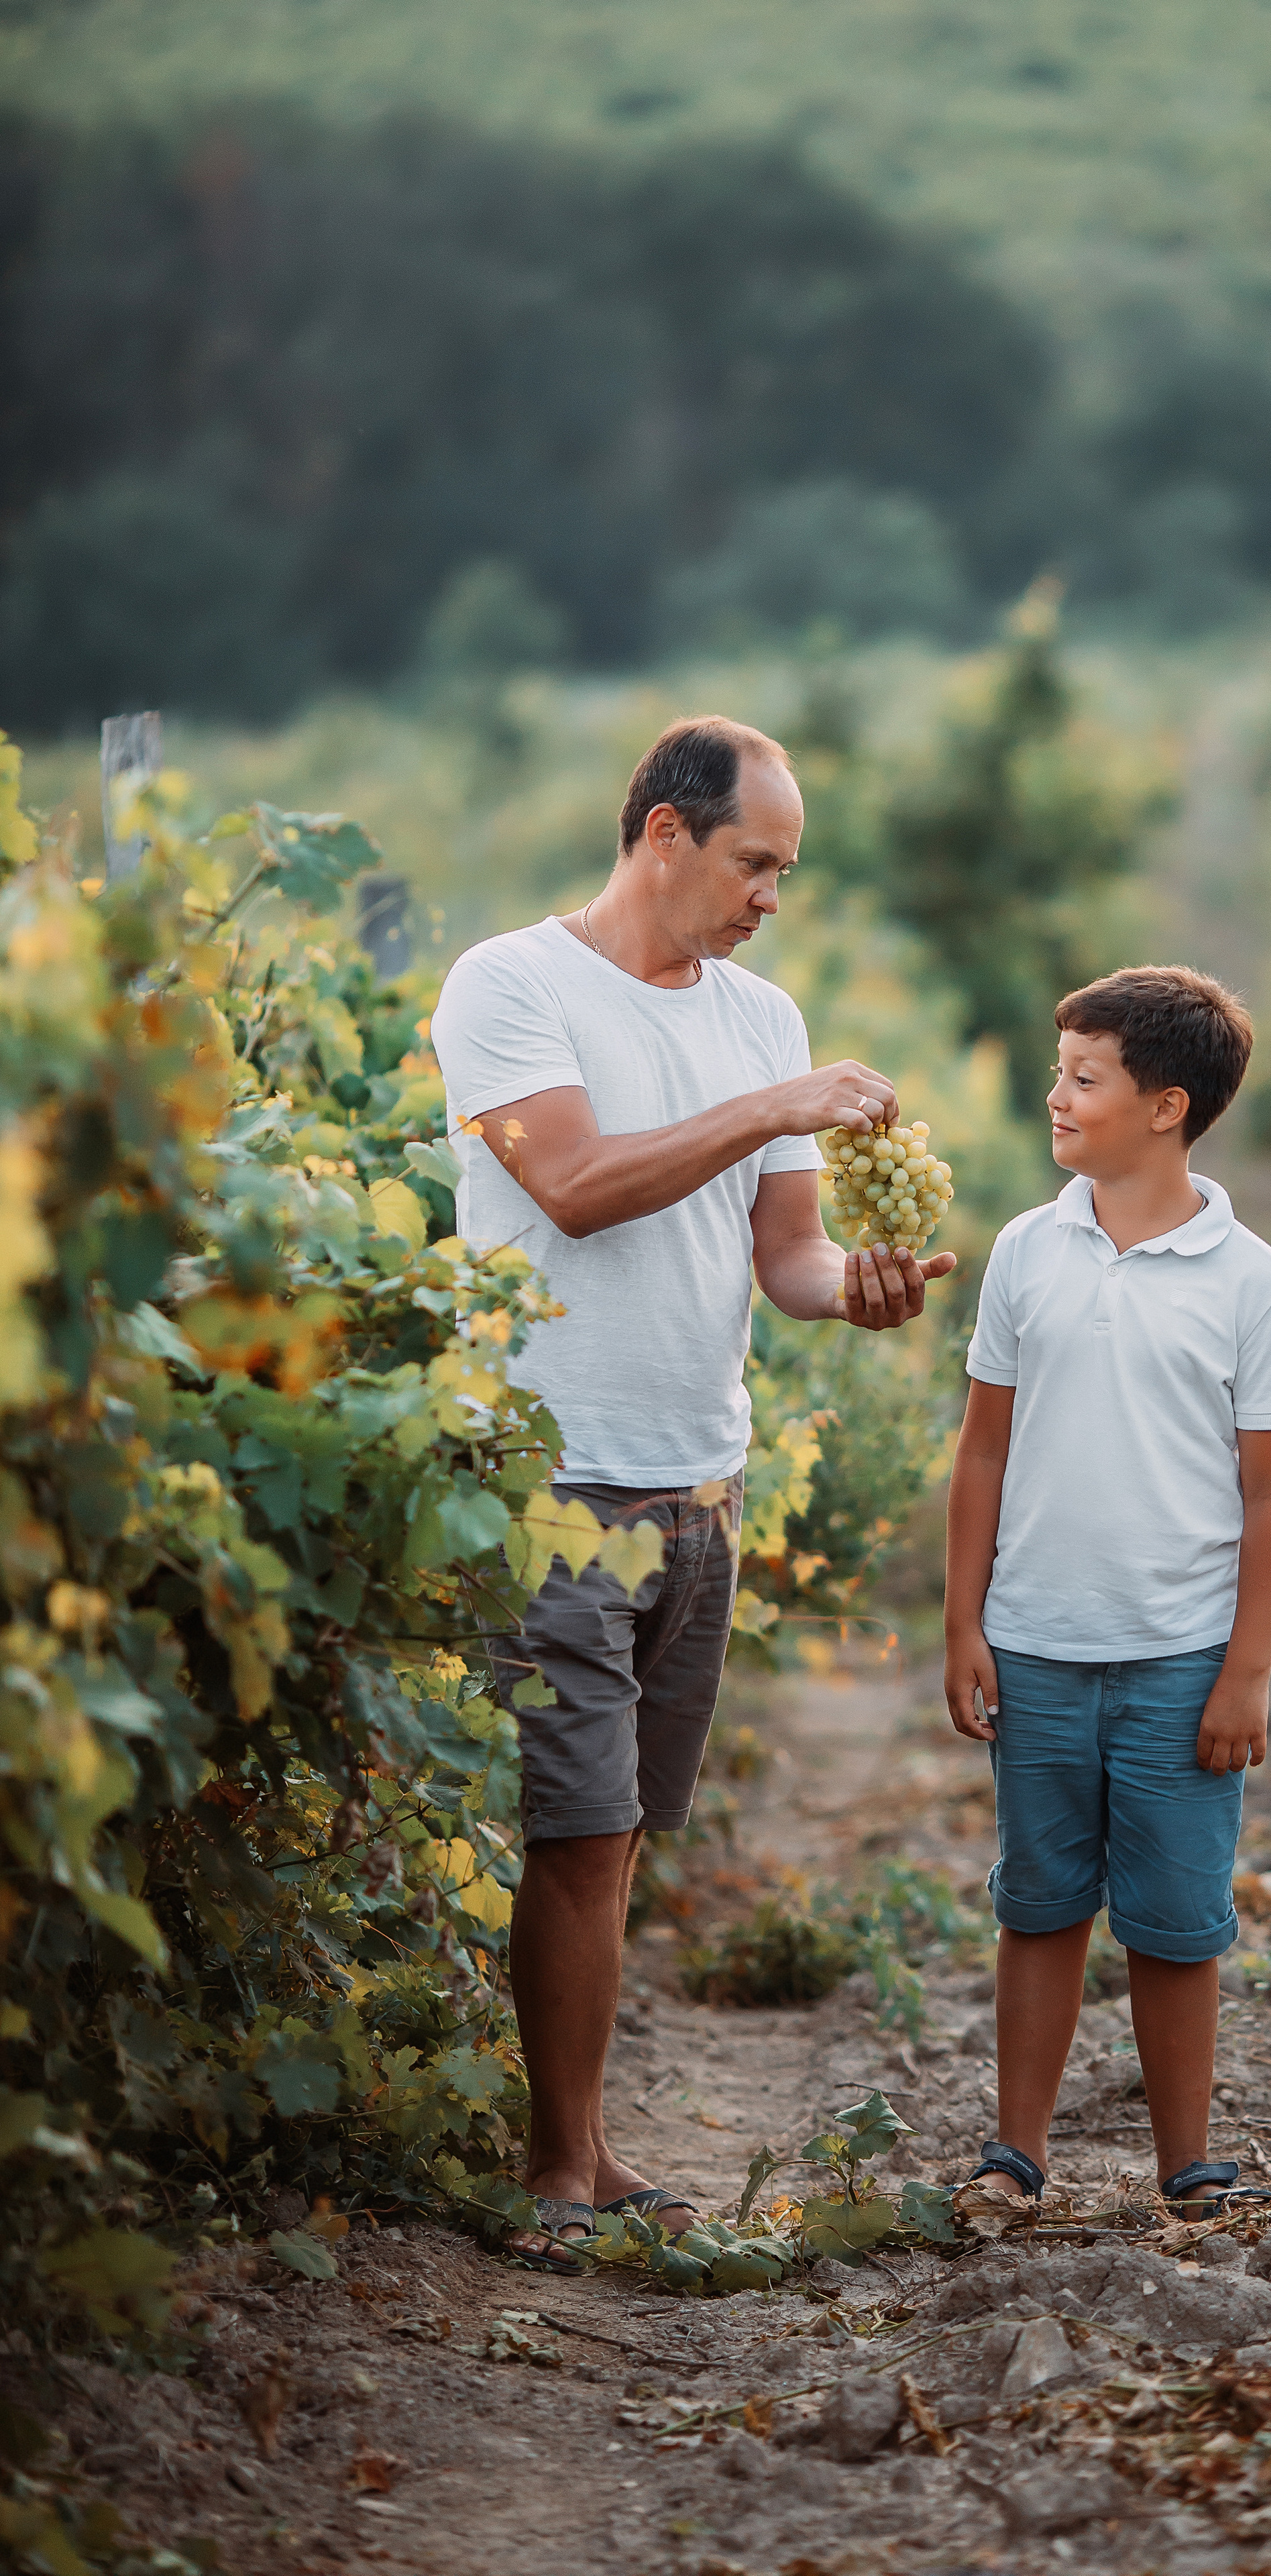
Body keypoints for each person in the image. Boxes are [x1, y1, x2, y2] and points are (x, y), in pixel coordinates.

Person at [431, 715, 954, 2266]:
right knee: (577, 1834)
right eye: (753, 864)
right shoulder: (510, 985)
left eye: (784, 872)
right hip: (554, 1474)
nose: (768, 898)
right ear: (664, 832)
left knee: (625, 1834)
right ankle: (550, 2171)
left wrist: (844, 1287)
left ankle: (588, 2149)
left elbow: (775, 1251)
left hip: (696, 1479)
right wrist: (766, 1109)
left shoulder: (760, 1013)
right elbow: (576, 1189)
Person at [942, 965, 1271, 2214]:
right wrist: (966, 1623)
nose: (1055, 1096)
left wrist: (1246, 1669)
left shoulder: (1252, 1283)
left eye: (1081, 1079)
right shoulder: (1025, 1253)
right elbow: (983, 1448)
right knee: (1038, 1905)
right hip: (1037, 1645)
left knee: (1174, 1922)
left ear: (1166, 1106)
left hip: (1180, 1662)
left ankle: (1188, 2167)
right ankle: (1015, 2156)